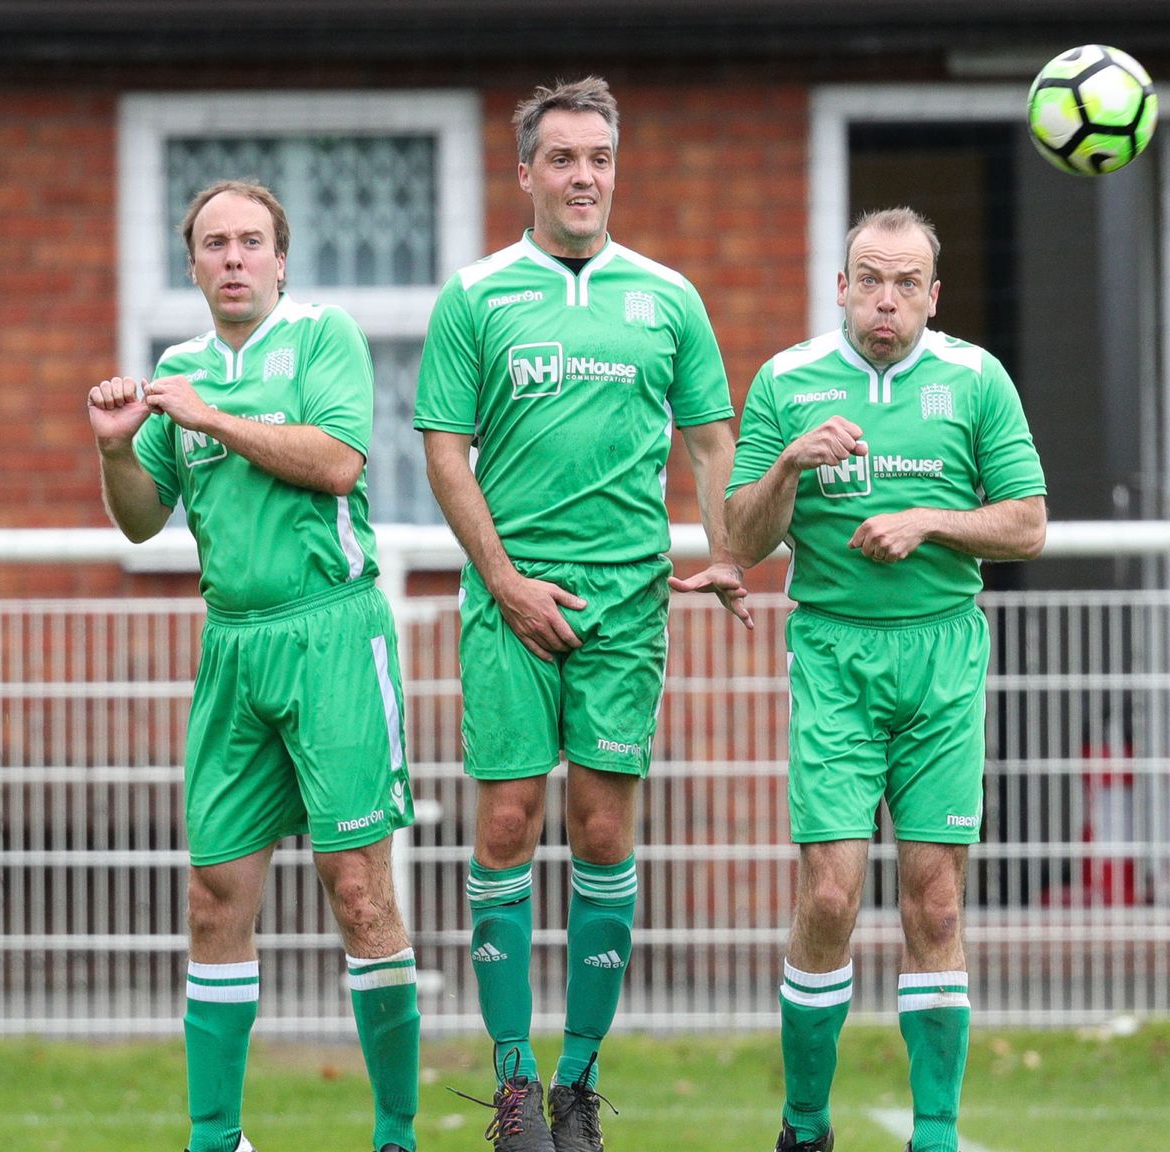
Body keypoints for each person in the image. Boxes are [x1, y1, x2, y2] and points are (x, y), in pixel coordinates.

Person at [414, 75, 747, 1152]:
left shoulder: (666, 297)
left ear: (615, 168)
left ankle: (577, 1087)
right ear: (525, 174)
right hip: (508, 601)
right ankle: (511, 1090)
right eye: (561, 158)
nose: (582, 177)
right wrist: (503, 580)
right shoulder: (476, 297)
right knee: (507, 825)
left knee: (604, 828)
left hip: (625, 604)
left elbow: (707, 442)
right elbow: (441, 451)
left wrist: (729, 552)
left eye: (598, 158)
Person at [87, 179, 419, 1152]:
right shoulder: (177, 369)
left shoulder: (323, 340)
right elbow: (145, 517)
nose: (233, 258)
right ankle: (214, 1136)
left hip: (331, 637)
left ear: (281, 258)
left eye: (251, 242)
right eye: (214, 244)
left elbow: (336, 461)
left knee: (358, 891)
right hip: (231, 646)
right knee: (214, 892)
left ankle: (394, 1134)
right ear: (190, 264)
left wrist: (213, 416)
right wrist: (117, 452)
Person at [725, 206, 1049, 1152]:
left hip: (942, 652)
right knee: (829, 897)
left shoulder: (976, 379)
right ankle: (807, 1124)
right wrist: (789, 460)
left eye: (907, 284)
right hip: (832, 653)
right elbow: (741, 542)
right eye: (870, 278)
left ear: (933, 298)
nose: (886, 300)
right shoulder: (788, 381)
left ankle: (936, 1135)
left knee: (935, 901)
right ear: (840, 286)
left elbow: (1028, 522)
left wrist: (929, 520)